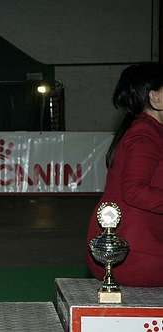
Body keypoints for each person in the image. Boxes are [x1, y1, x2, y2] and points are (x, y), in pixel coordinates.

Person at [85, 62, 163, 287]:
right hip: (139, 254)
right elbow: (134, 191)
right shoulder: (144, 136)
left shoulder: (147, 131)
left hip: (141, 248)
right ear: (154, 99)